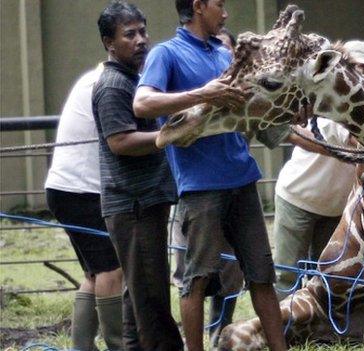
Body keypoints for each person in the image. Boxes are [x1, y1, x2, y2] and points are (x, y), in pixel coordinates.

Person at [132, 1, 287, 350]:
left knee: (262, 276)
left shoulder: (223, 53)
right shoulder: (166, 54)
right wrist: (203, 94)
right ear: (199, 6)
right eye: (219, 4)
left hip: (243, 180)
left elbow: (250, 107)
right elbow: (142, 104)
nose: (226, 13)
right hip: (201, 189)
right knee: (196, 281)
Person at [92, 2, 183, 349]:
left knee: (140, 295)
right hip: (133, 205)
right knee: (152, 300)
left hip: (146, 201)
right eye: (129, 34)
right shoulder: (114, 85)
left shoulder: (137, 79)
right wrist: (170, 135)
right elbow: (121, 142)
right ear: (109, 43)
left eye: (143, 31)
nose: (141, 40)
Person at [261, 40, 364, 300]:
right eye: (356, 68)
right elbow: (345, 142)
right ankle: (282, 329)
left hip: (335, 208)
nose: (362, 75)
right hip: (298, 198)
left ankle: (314, 327)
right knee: (286, 273)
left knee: (325, 274)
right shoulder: (321, 100)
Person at [169, 25, 244, 347]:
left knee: (231, 273)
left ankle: (220, 332)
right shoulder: (191, 89)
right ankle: (193, 341)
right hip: (196, 192)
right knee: (193, 273)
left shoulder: (239, 96)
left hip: (235, 188)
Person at [45, 63, 123, 350]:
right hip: (80, 191)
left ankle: (82, 347)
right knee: (111, 272)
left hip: (67, 189)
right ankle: (118, 344)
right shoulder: (109, 84)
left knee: (94, 272)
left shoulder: (97, 78)